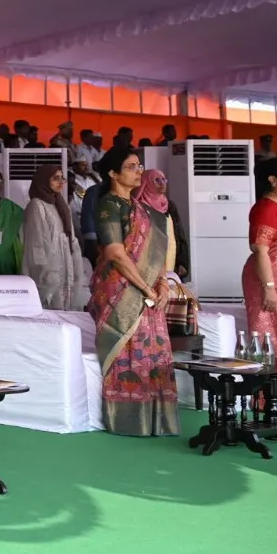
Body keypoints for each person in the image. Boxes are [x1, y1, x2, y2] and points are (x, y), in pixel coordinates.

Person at [88, 150, 178, 436]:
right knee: (128, 351)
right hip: (120, 289)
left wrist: (162, 284)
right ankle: (128, 420)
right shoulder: (108, 205)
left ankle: (155, 420)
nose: (138, 172)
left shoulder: (143, 209)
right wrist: (146, 287)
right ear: (113, 173)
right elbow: (115, 253)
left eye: (139, 166)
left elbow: (157, 254)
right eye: (130, 167)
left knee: (154, 349)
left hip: (148, 288)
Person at [244, 156, 277, 370]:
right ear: (273, 180)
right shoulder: (268, 208)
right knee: (274, 338)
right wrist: (269, 287)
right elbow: (260, 250)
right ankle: (272, 388)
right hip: (269, 282)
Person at [23, 164, 79, 310]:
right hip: (48, 271)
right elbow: (37, 243)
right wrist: (48, 274)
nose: (60, 182)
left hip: (63, 263)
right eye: (55, 178)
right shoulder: (37, 205)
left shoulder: (60, 204)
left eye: (62, 178)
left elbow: (70, 237)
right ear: (44, 180)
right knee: (49, 308)